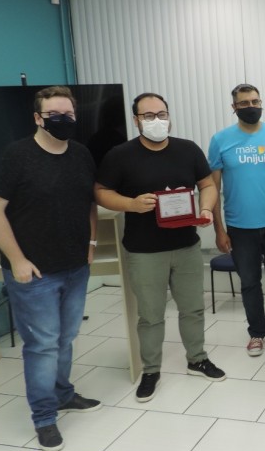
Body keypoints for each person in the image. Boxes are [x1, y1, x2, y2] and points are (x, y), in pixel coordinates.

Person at [0, 86, 102, 451]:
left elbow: (89, 203)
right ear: (38, 118)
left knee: (66, 338)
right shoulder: (16, 156)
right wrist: (17, 259)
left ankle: (63, 394)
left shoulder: (81, 154)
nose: (64, 120)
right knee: (43, 346)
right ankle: (44, 417)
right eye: (55, 115)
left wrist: (91, 245)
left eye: (69, 114)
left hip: (75, 266)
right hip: (34, 273)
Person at [95, 92, 226, 403]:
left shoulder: (188, 149)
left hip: (186, 246)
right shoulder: (120, 155)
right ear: (136, 120)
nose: (157, 120)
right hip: (144, 250)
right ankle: (151, 370)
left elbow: (207, 184)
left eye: (162, 114)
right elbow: (100, 192)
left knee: (192, 308)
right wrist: (131, 204)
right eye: (149, 116)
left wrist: (205, 209)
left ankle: (197, 359)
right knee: (151, 315)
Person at [208, 84, 265, 356]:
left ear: (261, 103)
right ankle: (257, 333)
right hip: (240, 228)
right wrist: (219, 229)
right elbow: (212, 187)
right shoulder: (220, 140)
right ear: (234, 107)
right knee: (249, 283)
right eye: (244, 103)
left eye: (255, 102)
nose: (251, 107)